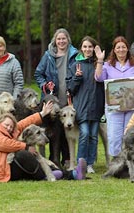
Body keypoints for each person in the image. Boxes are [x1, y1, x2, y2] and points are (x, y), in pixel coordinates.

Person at [0, 102, 87, 182]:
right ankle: (45, 175)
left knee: (34, 157)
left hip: (6, 166)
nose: (9, 128)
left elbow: (23, 123)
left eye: (11, 127)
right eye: (7, 125)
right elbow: (4, 144)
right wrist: (26, 147)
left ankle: (72, 173)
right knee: (23, 154)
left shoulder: (10, 131)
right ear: (0, 122)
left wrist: (42, 114)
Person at [94, 36, 134, 158]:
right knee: (114, 136)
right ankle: (116, 162)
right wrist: (100, 60)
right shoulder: (107, 65)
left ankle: (129, 160)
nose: (121, 50)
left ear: (128, 49)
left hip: (132, 106)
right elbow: (98, 78)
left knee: (129, 134)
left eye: (123, 47)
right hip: (114, 107)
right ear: (114, 50)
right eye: (118, 47)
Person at [35, 28, 77, 166]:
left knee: (66, 131)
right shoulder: (48, 55)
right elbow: (38, 74)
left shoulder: (75, 55)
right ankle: (51, 159)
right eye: (59, 39)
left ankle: (66, 160)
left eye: (64, 38)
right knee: (53, 131)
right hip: (52, 101)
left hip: (69, 99)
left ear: (68, 40)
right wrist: (45, 85)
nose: (61, 41)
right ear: (55, 40)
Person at [69, 36, 105, 174]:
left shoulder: (99, 65)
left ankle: (90, 163)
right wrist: (77, 77)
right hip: (81, 107)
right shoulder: (75, 65)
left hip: (96, 106)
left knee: (94, 136)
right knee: (84, 133)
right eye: (85, 47)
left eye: (90, 47)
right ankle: (81, 162)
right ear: (81, 48)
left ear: (94, 48)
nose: (87, 49)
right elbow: (71, 89)